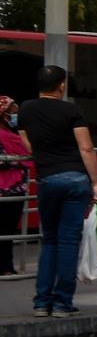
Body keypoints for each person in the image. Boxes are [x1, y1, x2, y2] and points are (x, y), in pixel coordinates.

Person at [17, 66, 97, 318]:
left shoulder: (26, 109)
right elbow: (86, 148)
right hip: (75, 178)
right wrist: (96, 181)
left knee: (50, 240)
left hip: (47, 178)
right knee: (68, 242)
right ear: (61, 85)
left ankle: (42, 302)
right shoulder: (72, 110)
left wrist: (44, 155)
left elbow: (26, 142)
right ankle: (63, 303)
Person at [0, 96, 32, 276]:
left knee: (7, 229)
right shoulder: (7, 136)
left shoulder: (10, 134)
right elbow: (27, 155)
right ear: (4, 113)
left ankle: (7, 266)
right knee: (5, 229)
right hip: (8, 189)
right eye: (13, 111)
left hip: (12, 188)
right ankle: (5, 267)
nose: (16, 115)